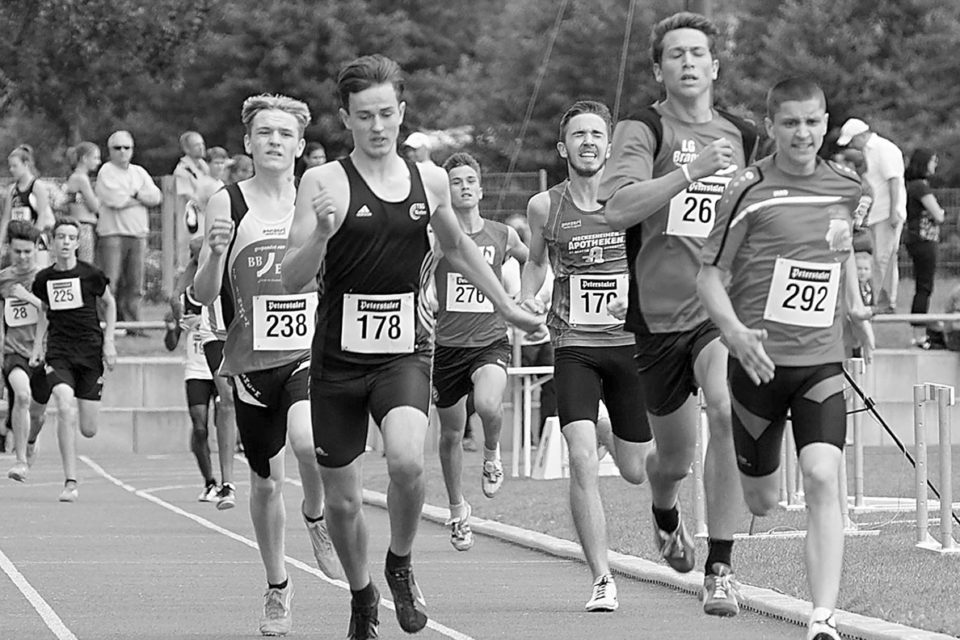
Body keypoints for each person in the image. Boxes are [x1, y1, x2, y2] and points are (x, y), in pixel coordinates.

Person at [281, 54, 542, 640]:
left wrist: (505, 305)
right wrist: (321, 234)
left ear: (401, 112)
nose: (377, 126)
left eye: (386, 114)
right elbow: (290, 279)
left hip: (404, 351)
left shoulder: (429, 180)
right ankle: (362, 595)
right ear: (346, 119)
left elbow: (457, 248)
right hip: (337, 361)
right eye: (364, 116)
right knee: (343, 503)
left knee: (405, 460)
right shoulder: (322, 183)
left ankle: (399, 563)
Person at [697, 76, 874, 640]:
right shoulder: (746, 189)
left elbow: (840, 251)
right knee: (762, 500)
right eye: (791, 123)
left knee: (823, 477)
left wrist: (855, 311)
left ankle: (822, 617)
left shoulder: (846, 187)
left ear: (826, 124)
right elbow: (709, 277)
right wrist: (734, 334)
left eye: (813, 122)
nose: (803, 133)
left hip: (820, 362)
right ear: (771, 127)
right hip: (757, 365)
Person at [598, 11, 758, 616]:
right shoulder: (642, 129)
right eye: (675, 54)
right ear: (658, 69)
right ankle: (664, 508)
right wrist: (690, 172)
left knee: (726, 408)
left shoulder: (743, 133)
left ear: (715, 66)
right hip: (658, 317)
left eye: (697, 53)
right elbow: (617, 209)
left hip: (719, 308)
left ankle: (720, 567)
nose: (688, 62)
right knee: (672, 460)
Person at [193, 93, 342, 636]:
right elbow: (201, 293)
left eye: (285, 133)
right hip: (252, 361)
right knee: (265, 483)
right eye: (265, 133)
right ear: (248, 143)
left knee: (307, 440)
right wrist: (215, 252)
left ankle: (316, 515)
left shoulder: (319, 198)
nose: (274, 141)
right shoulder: (226, 202)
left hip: (307, 352)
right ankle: (278, 585)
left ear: (300, 146)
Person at [520, 100, 653, 612]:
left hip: (628, 346)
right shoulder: (544, 207)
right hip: (574, 344)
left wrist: (635, 298)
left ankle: (603, 427)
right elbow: (536, 263)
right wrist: (528, 296)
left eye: (597, 134)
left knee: (636, 469)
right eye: (579, 135)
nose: (588, 143)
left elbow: (655, 261)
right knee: (580, 458)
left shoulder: (632, 200)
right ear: (563, 147)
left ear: (610, 146)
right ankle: (601, 576)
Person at [433, 151, 529, 551]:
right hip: (445, 347)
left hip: (489, 341)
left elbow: (534, 259)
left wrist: (528, 293)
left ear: (481, 189)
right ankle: (458, 510)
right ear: (446, 191)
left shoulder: (502, 235)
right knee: (451, 434)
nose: (465, 187)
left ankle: (492, 454)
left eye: (470, 180)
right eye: (456, 182)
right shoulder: (436, 236)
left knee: (489, 404)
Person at [30, 219, 117, 502]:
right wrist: (37, 345)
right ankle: (70, 481)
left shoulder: (91, 274)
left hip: (90, 353)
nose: (65, 242)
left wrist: (109, 341)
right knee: (65, 406)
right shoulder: (44, 279)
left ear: (78, 243)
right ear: (53, 242)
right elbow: (44, 311)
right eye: (60, 237)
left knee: (88, 429)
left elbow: (110, 303)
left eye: (70, 237)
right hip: (60, 353)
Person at [166, 236, 236, 505]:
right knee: (199, 426)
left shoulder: (226, 283)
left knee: (226, 405)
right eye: (195, 256)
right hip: (197, 367)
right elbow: (170, 341)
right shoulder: (183, 297)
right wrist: (175, 324)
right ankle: (211, 481)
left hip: (224, 354)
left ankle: (229, 476)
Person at [836, 117, 907, 314]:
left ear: (861, 135)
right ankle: (879, 300)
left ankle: (885, 302)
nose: (852, 145)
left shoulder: (884, 149)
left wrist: (893, 212)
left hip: (887, 212)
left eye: (852, 141)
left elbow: (894, 181)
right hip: (877, 213)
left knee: (884, 257)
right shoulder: (868, 151)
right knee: (879, 258)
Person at [95, 130, 162, 331]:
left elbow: (156, 197)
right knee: (110, 283)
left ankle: (134, 326)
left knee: (135, 285)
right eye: (117, 148)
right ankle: (106, 325)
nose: (122, 151)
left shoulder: (139, 172)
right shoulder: (106, 171)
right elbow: (115, 200)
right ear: (110, 150)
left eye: (127, 147)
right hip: (112, 235)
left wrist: (133, 196)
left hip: (138, 234)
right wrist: (140, 197)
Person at [1, 221, 51, 481]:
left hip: (43, 352)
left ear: (36, 250)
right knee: (21, 396)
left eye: (27, 252)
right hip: (14, 351)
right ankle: (20, 461)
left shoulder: (44, 278)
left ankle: (31, 439)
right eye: (17, 251)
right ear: (9, 249)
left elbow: (53, 313)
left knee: (38, 415)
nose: (22, 257)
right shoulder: (3, 278)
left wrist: (27, 296)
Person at [903, 148, 945, 349]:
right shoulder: (920, 187)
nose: (935, 164)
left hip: (916, 239)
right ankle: (919, 334)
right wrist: (940, 212)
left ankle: (918, 331)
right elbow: (938, 215)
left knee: (922, 286)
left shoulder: (912, 186)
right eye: (932, 160)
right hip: (924, 239)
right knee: (924, 287)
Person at [2, 145, 55, 264]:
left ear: (26, 164)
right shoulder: (12, 190)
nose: (11, 169)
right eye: (10, 166)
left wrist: (33, 239)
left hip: (36, 240)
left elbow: (42, 217)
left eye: (15, 166)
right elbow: (6, 218)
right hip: (18, 240)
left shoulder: (37, 187)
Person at [64, 142, 102, 264]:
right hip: (84, 226)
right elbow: (94, 206)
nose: (98, 162)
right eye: (95, 158)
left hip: (80, 224)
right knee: (86, 264)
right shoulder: (81, 178)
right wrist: (101, 197)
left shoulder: (74, 177)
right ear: (85, 158)